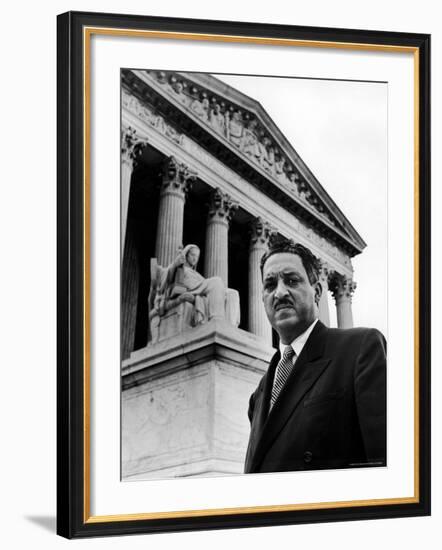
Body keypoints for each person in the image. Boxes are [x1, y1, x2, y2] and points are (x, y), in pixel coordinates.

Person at [244, 238, 386, 473]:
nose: (279, 293)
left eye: (291, 280)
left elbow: (384, 462)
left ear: (317, 291)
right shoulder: (258, 394)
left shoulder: (360, 349)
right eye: (270, 285)